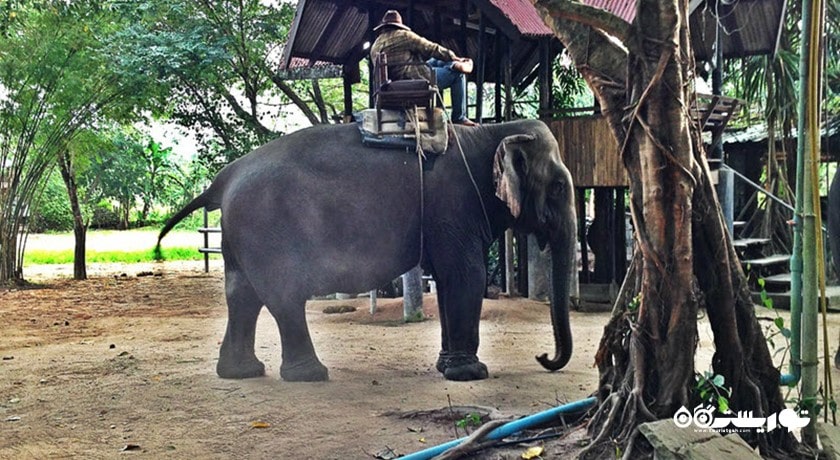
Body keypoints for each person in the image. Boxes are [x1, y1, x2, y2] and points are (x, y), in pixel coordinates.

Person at [370, 10, 478, 126]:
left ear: (384, 26)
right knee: (458, 75)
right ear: (398, 25)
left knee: (435, 61)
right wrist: (454, 56)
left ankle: (452, 64)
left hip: (392, 85)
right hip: (413, 80)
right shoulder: (403, 35)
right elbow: (431, 48)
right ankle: (459, 117)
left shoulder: (376, 44)